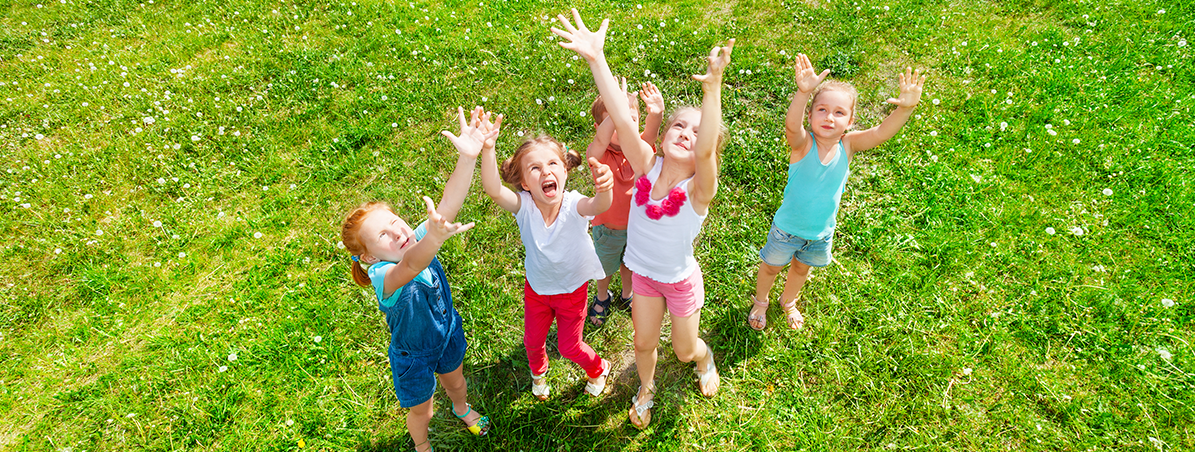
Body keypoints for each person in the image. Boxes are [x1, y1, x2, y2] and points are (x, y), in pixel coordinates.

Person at [551, 8, 731, 428]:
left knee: (684, 350)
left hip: (680, 280)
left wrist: (713, 88)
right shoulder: (646, 164)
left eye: (695, 129)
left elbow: (704, 151)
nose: (686, 132)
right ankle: (645, 388)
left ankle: (704, 360)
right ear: (664, 134)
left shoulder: (699, 190)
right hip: (644, 276)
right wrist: (597, 59)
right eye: (679, 125)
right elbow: (618, 110)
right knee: (644, 342)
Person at [340, 106, 497, 452]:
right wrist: (434, 239)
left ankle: (461, 408)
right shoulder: (383, 274)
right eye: (383, 235)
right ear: (369, 257)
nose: (397, 231)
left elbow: (450, 203)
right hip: (413, 356)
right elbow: (411, 265)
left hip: (447, 332)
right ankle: (421, 445)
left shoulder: (420, 237)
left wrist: (468, 157)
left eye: (395, 221)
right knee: (421, 409)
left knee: (456, 383)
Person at [748, 54, 925, 331]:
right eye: (822, 110)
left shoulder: (849, 145)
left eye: (839, 112)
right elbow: (791, 126)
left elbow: (880, 133)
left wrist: (904, 109)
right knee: (771, 267)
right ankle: (761, 301)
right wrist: (803, 92)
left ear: (851, 120)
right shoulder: (803, 144)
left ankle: (789, 301)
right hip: (786, 230)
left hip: (820, 233)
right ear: (810, 114)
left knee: (801, 269)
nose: (830, 117)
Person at [478, 113, 616, 400]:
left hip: (572, 291)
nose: (546, 172)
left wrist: (606, 188)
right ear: (525, 183)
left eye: (553, 164)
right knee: (532, 341)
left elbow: (599, 204)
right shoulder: (523, 206)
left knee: (568, 347)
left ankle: (598, 367)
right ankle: (538, 374)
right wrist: (488, 148)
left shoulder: (575, 204)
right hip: (538, 289)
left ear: (565, 171)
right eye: (535, 168)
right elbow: (493, 190)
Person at [585, 80, 665, 325]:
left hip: (638, 227)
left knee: (630, 265)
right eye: (618, 122)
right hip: (607, 230)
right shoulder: (598, 154)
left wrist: (657, 113)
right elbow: (599, 141)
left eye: (631, 119)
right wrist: (618, 109)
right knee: (605, 268)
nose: (626, 125)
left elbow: (651, 132)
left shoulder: (640, 149)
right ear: (601, 127)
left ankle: (627, 294)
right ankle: (602, 296)